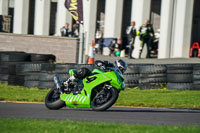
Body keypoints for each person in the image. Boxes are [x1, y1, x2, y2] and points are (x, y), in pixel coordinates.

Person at [63, 59, 128, 93]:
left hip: (103, 82)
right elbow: (97, 62)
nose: (122, 70)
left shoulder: (117, 75)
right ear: (118, 65)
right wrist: (103, 66)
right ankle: (68, 81)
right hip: (95, 76)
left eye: (123, 69)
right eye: (121, 68)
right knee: (85, 70)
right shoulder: (110, 65)